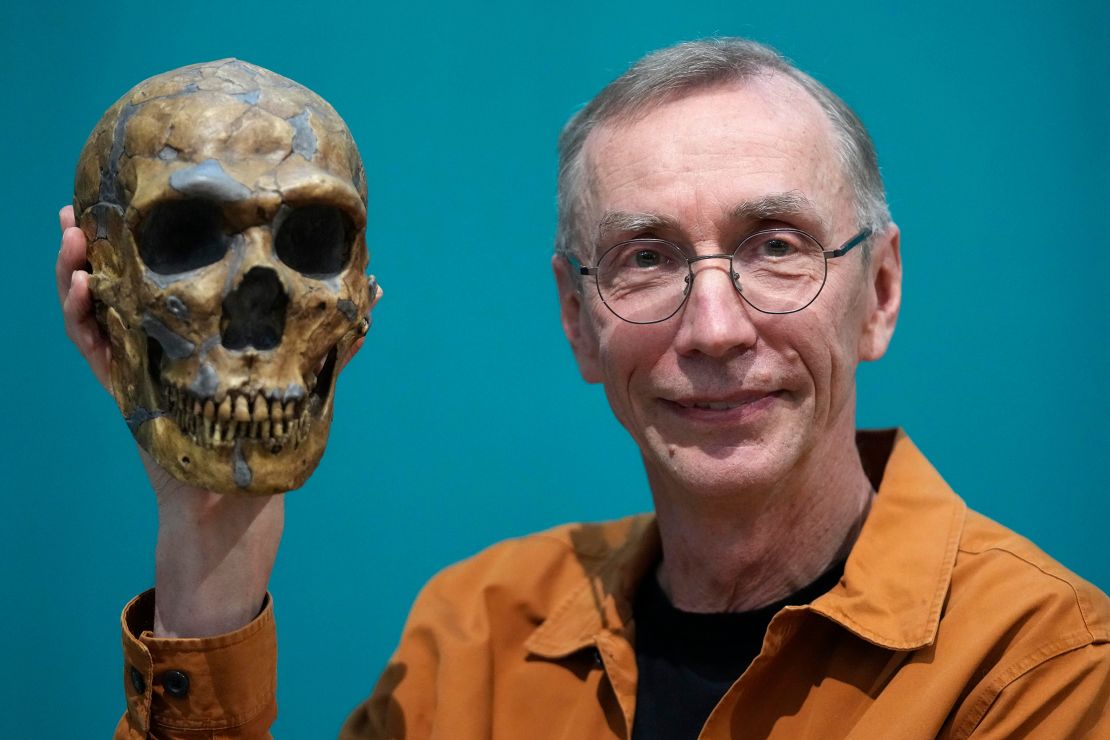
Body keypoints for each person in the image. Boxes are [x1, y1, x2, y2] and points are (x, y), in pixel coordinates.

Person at [57, 38, 1109, 739]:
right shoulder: (469, 642)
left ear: (877, 293)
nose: (714, 326)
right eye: (645, 258)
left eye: (775, 246)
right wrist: (209, 529)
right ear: (578, 320)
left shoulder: (1041, 670)